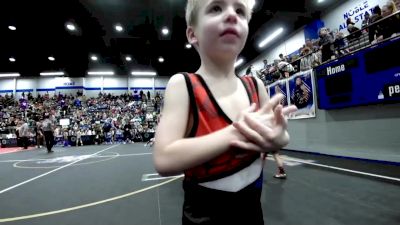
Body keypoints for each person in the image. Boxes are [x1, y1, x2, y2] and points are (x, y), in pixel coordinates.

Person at [153, 0, 297, 224]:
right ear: (193, 34)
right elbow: (163, 158)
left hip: (252, 213)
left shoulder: (255, 85)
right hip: (203, 216)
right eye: (216, 8)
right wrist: (235, 134)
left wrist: (279, 138)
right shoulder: (184, 84)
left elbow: (277, 137)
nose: (231, 15)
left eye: (240, 11)